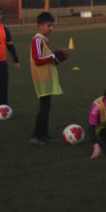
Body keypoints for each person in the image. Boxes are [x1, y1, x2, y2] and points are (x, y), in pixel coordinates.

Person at [29, 12, 69, 145]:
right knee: (44, 108)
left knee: (46, 108)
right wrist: (53, 55)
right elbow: (38, 60)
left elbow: (49, 59)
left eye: (52, 26)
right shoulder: (37, 40)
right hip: (42, 79)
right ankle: (36, 136)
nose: (51, 28)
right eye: (48, 25)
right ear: (40, 25)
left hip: (47, 78)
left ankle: (44, 135)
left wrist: (58, 59)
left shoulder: (45, 40)